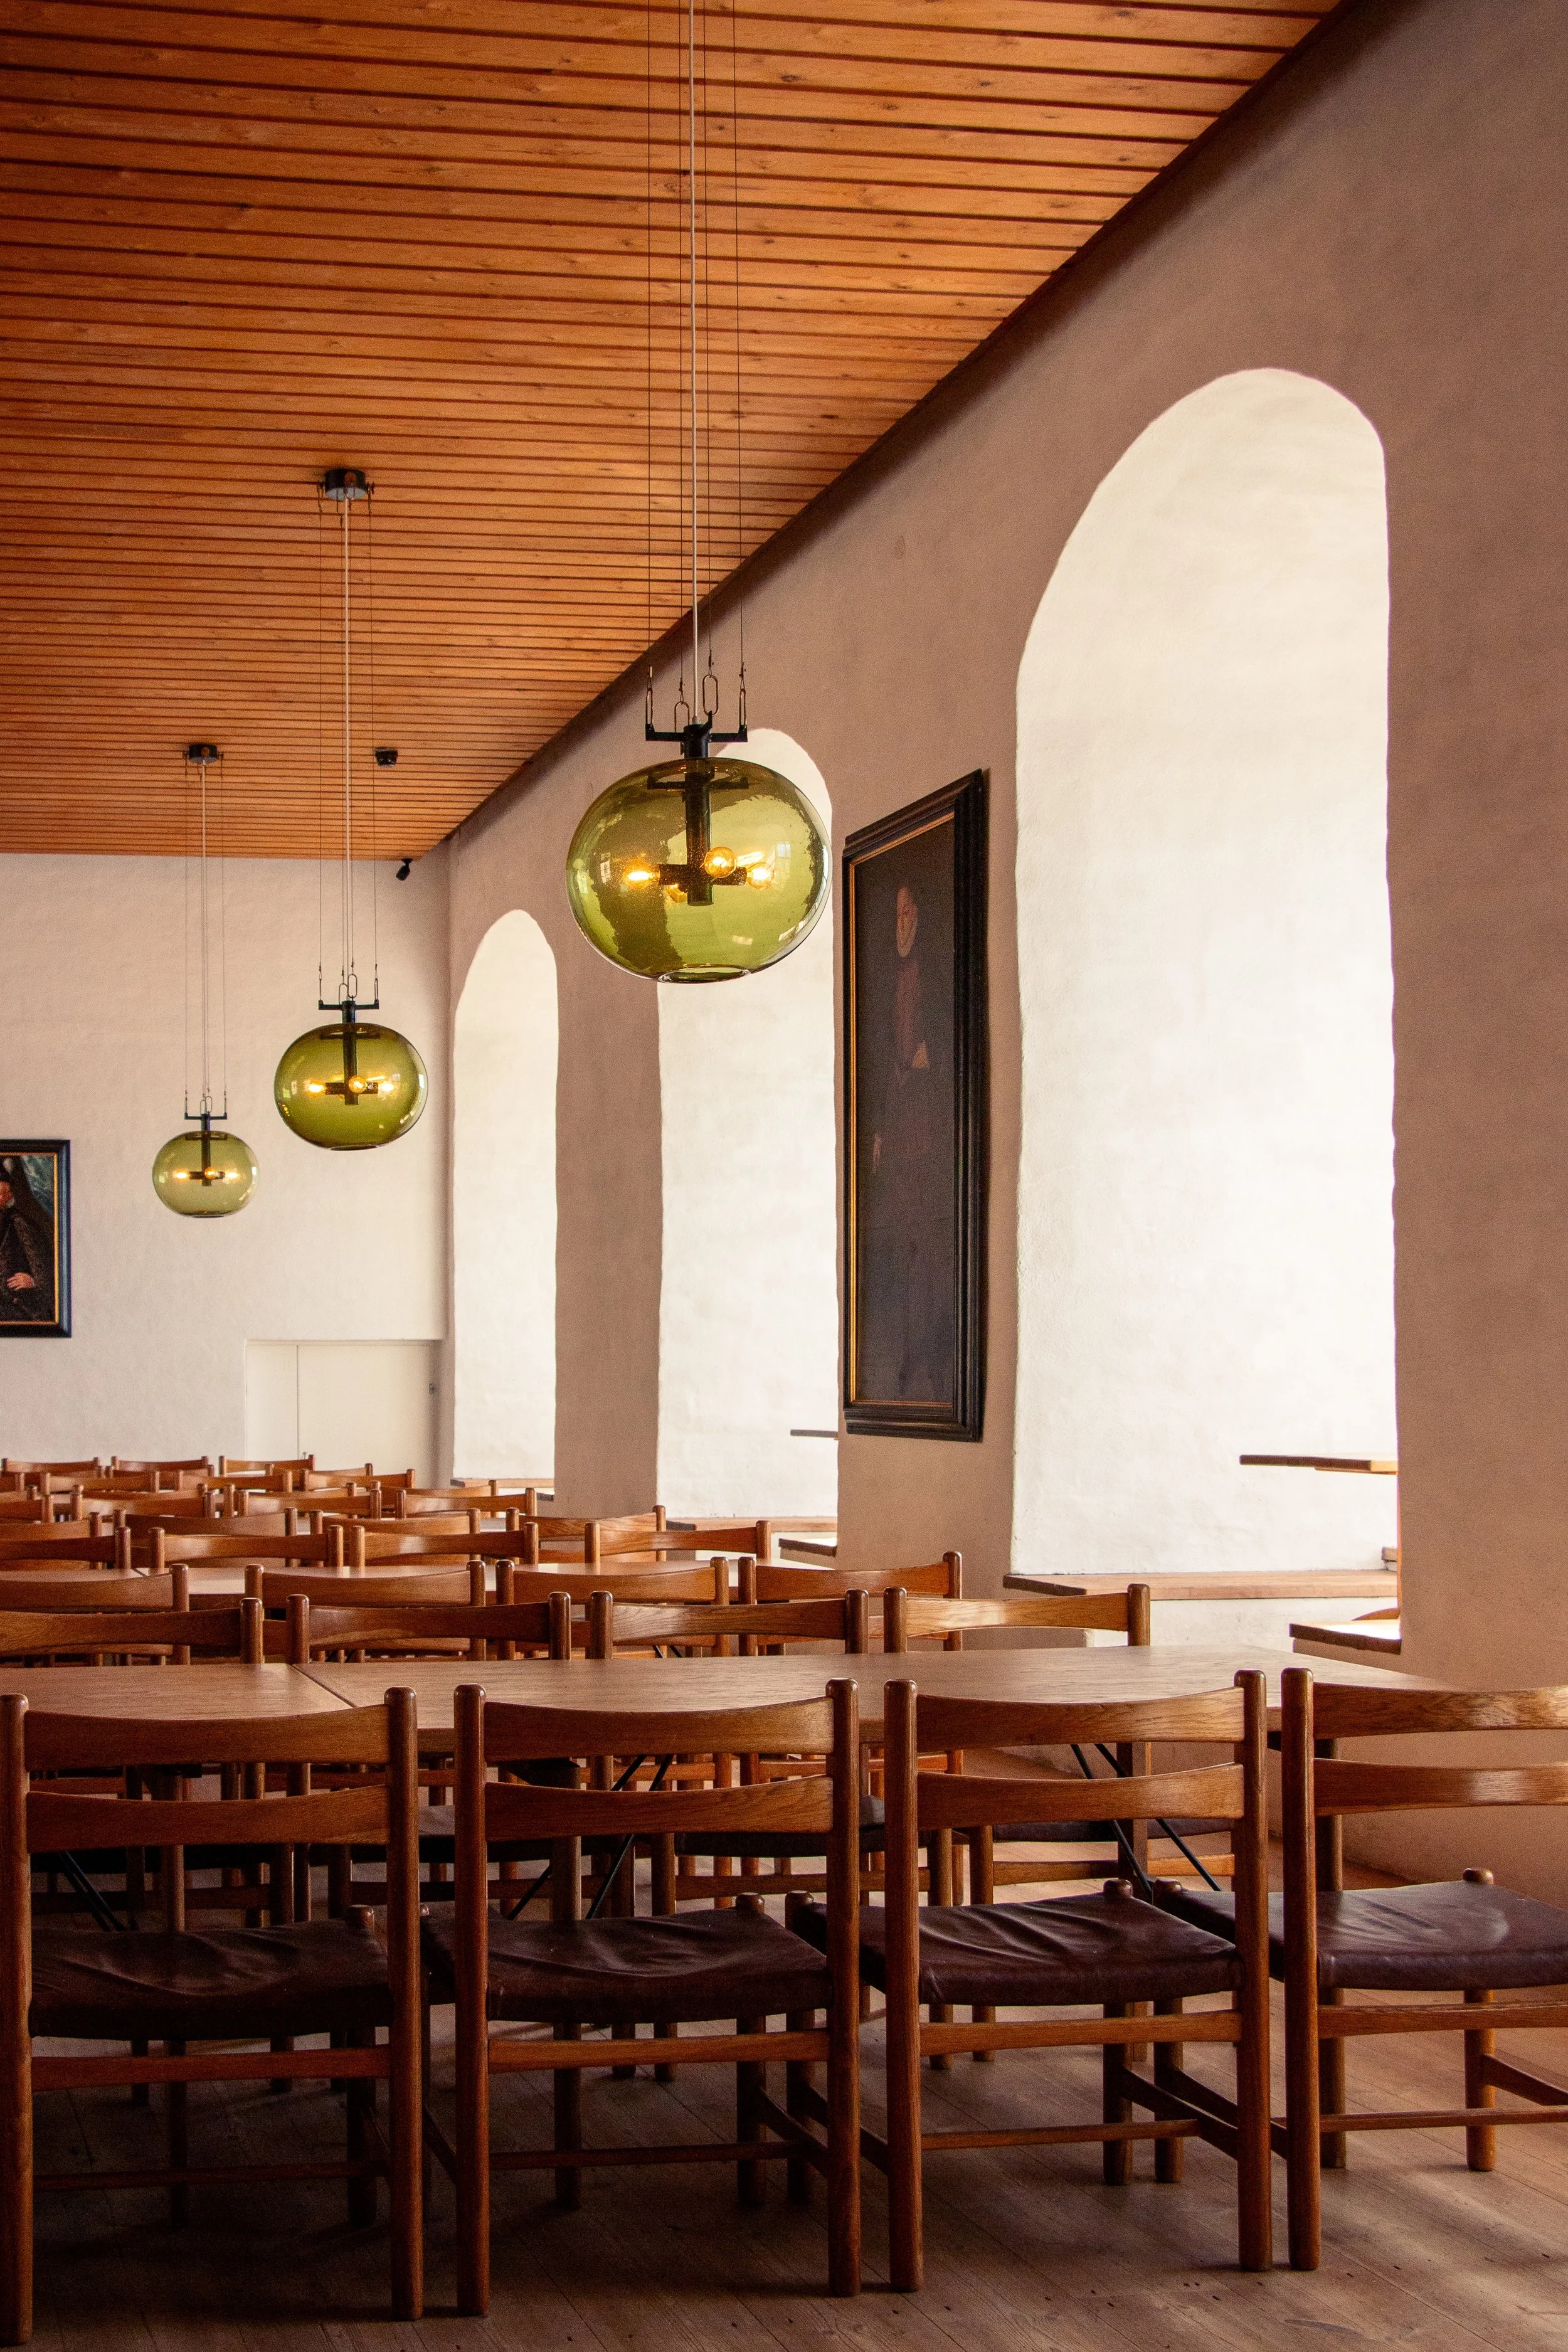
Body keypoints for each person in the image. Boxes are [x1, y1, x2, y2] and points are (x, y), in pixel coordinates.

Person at [862, 879, 955, 1404]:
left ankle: (926, 1358)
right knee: (901, 1240)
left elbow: (940, 1039)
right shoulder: (887, 980)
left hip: (925, 1118)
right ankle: (905, 1356)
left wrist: (928, 1055)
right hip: (897, 1121)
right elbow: (877, 1061)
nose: (902, 921)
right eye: (895, 912)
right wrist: (877, 1129)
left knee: (928, 1242)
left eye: (908, 910)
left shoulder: (933, 975)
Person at [0, 1156, 55, 1323]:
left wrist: (33, 1281)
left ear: (10, 1193)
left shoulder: (21, 1223)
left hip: (20, 1308)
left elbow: (46, 1269)